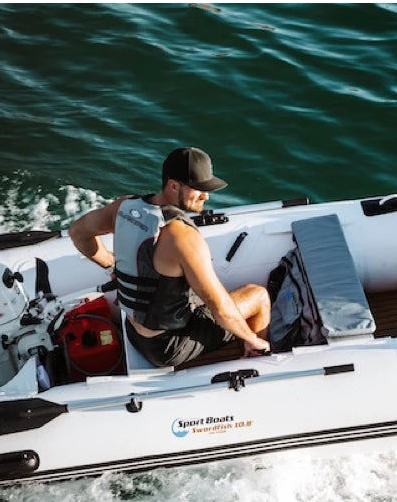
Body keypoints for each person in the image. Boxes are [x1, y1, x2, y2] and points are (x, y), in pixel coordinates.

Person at [69, 147, 271, 367]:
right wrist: (252, 339)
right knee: (258, 296)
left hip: (133, 329)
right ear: (173, 185)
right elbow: (220, 308)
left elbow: (78, 233)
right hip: (167, 347)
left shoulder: (124, 208)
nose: (206, 196)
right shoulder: (183, 238)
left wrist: (111, 266)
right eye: (199, 189)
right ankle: (257, 361)